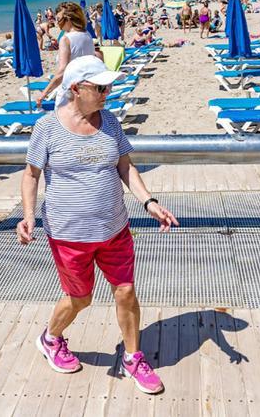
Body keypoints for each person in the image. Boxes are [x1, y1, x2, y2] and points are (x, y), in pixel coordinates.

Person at [17, 56, 177, 394]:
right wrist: (29, 216)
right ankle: (50, 338)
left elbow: (126, 168)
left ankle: (133, 357)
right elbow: (31, 175)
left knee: (126, 291)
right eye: (101, 87)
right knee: (80, 298)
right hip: (68, 234)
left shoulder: (111, 123)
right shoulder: (47, 128)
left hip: (114, 229)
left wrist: (149, 202)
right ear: (76, 89)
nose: (108, 92)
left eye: (109, 86)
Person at [37, 2, 102, 108]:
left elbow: (62, 72)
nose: (57, 22)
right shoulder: (87, 35)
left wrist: (44, 93)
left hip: (69, 92)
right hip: (86, 90)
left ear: (68, 19)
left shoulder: (66, 39)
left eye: (58, 19)